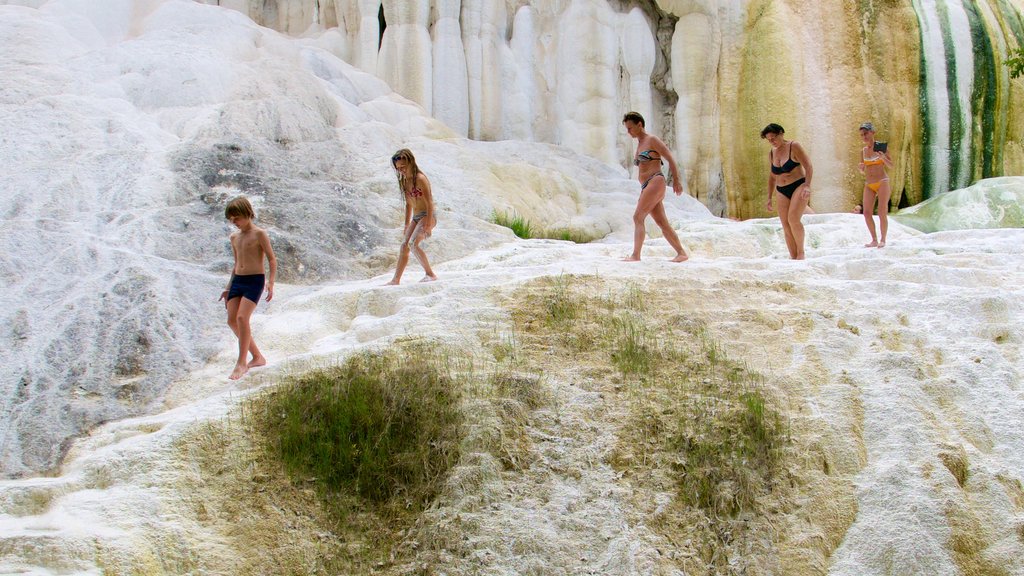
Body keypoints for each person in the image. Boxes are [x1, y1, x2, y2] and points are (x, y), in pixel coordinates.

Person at [219, 196, 277, 380]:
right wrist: (228, 287)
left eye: (236, 218)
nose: (234, 222)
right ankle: (257, 357)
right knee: (232, 320)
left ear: (247, 213)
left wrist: (271, 282)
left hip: (254, 280)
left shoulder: (259, 234)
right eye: (231, 219)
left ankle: (241, 362)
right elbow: (236, 264)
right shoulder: (234, 237)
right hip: (238, 281)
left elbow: (272, 259)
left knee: (243, 318)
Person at [621, 111, 688, 262]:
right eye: (627, 128)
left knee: (638, 217)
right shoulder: (639, 144)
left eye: (630, 128)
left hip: (655, 181)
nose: (628, 132)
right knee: (662, 222)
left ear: (640, 125)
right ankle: (681, 253)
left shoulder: (652, 140)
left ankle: (636, 255)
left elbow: (670, 158)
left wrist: (676, 181)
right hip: (647, 185)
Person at [762, 123, 813, 260]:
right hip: (781, 189)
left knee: (793, 219)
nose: (772, 141)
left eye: (773, 138)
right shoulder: (772, 152)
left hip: (798, 185)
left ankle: (801, 253)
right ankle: (793, 256)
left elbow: (808, 166)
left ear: (781, 134)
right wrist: (769, 197)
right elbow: (772, 176)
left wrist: (807, 185)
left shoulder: (794, 146)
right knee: (785, 223)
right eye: (769, 140)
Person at [386, 148, 438, 284]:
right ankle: (395, 280)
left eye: (403, 166)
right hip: (416, 217)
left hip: (427, 215)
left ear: (411, 162)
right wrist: (406, 223)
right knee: (404, 246)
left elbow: (429, 202)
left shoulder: (420, 179)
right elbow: (408, 204)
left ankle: (430, 274)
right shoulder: (404, 181)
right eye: (398, 168)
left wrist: (428, 224)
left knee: (413, 244)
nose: (401, 170)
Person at [857, 122, 893, 247]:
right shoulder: (863, 151)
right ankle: (874, 239)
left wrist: (883, 158)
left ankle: (883, 239)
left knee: (882, 211)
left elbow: (891, 165)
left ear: (873, 132)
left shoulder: (881, 147)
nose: (864, 137)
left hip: (882, 181)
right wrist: (861, 168)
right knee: (866, 212)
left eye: (866, 133)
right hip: (869, 183)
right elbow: (863, 169)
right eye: (862, 135)